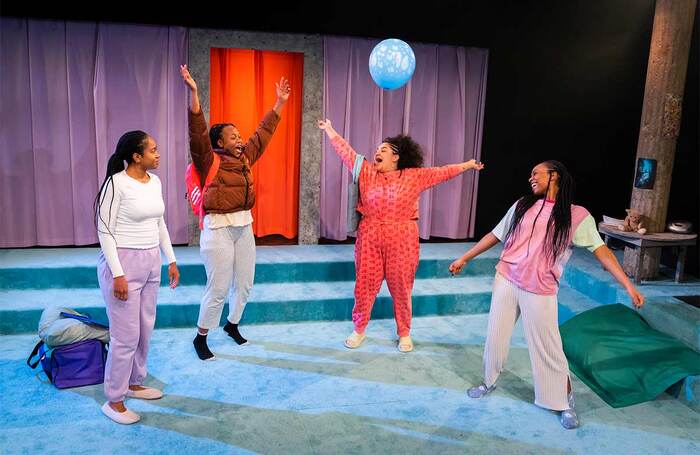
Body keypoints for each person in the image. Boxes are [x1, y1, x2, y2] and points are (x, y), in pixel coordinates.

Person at [449, 160, 645, 429]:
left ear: (554, 176)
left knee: (548, 346)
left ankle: (563, 401)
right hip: (506, 278)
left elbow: (602, 251)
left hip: (539, 287)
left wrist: (628, 285)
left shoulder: (577, 215)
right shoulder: (522, 205)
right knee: (496, 334)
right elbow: (495, 235)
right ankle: (488, 380)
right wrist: (465, 257)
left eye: (536, 173)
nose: (530, 178)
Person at [318, 118, 484, 352]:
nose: (377, 152)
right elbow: (347, 152)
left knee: (402, 287)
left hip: (402, 238)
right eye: (377, 149)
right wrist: (330, 130)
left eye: (383, 150)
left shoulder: (412, 176)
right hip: (370, 235)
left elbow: (442, 172)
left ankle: (404, 333)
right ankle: (359, 329)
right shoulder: (366, 172)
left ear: (396, 156)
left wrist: (466, 165)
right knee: (364, 286)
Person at [180, 65, 290, 360]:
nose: (240, 139)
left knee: (245, 283)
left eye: (240, 135)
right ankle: (201, 337)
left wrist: (279, 103)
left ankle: (232, 325)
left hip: (244, 226)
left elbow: (263, 134)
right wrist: (195, 93)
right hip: (217, 228)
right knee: (217, 288)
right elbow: (197, 131)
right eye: (233, 136)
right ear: (219, 143)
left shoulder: (244, 159)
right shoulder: (207, 161)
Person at [94, 130, 180, 424]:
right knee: (125, 336)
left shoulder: (154, 181)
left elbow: (160, 223)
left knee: (144, 329)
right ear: (136, 156)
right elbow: (104, 231)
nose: (158, 154)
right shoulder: (115, 185)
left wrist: (171, 259)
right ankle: (114, 400)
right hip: (123, 264)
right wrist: (117, 274)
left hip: (151, 262)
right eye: (153, 150)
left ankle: (133, 382)